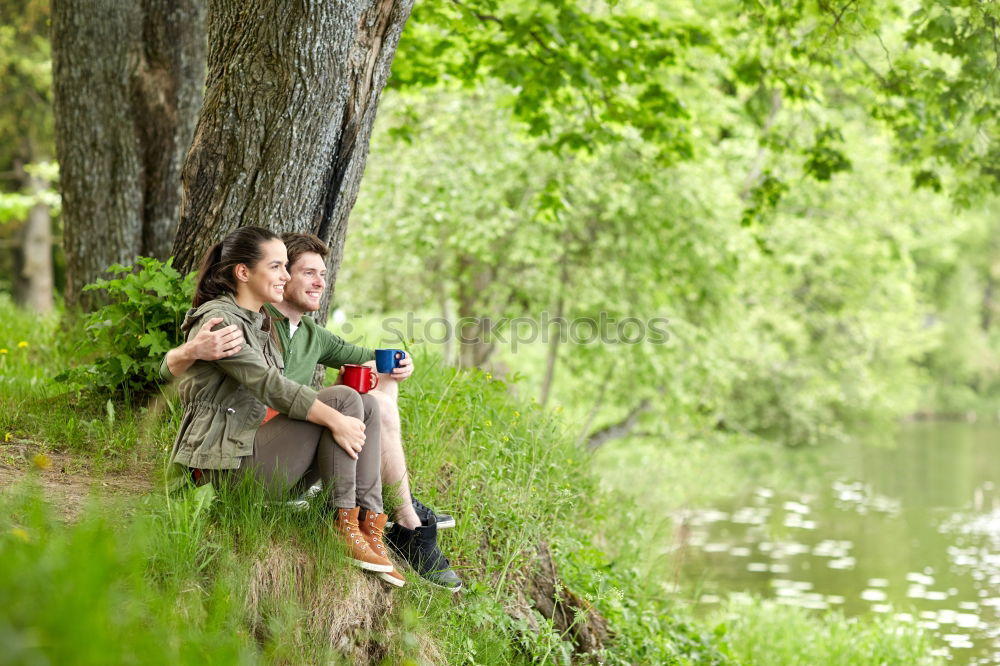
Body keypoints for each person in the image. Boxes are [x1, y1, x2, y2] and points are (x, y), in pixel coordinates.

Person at [163, 232, 462, 592]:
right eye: (278, 267)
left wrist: (396, 362)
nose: (286, 276)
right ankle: (344, 520)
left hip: (250, 458)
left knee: (363, 401)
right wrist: (335, 418)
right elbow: (269, 385)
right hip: (215, 473)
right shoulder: (222, 321)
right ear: (243, 272)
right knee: (342, 401)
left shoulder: (259, 322)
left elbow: (346, 357)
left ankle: (365, 524)